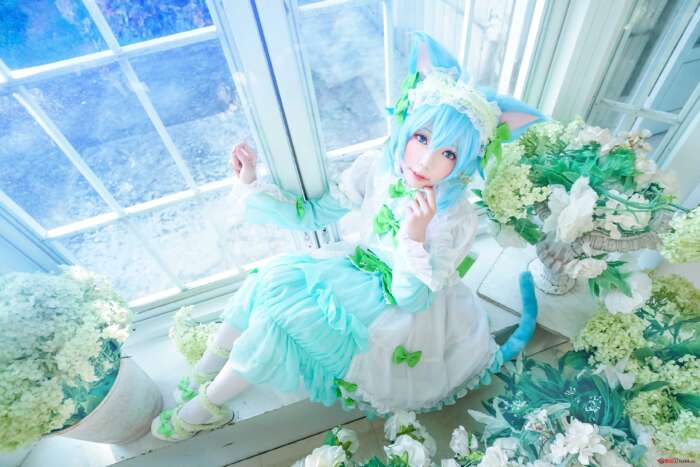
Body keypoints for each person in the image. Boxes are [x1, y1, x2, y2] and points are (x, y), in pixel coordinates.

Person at [151, 32, 545, 442]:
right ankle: (206, 367)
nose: (427, 161)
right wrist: (251, 184)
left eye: (448, 154)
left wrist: (413, 236)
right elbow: (317, 214)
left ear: (464, 162)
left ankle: (207, 406)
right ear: (407, 128)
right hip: (355, 266)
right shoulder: (379, 166)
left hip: (399, 303)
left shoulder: (454, 218)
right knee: (268, 278)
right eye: (422, 138)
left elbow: (413, 300)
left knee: (277, 324)